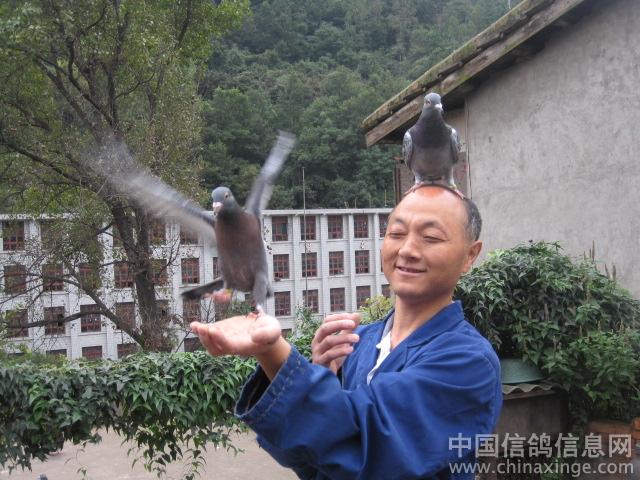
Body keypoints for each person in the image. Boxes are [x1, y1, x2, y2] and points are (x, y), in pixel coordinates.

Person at [191, 185, 503, 479]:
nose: (408, 249)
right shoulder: (357, 342)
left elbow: (368, 446)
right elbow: (312, 460)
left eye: (431, 237)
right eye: (396, 233)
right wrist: (316, 374)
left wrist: (276, 355)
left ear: (470, 255)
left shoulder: (468, 363)